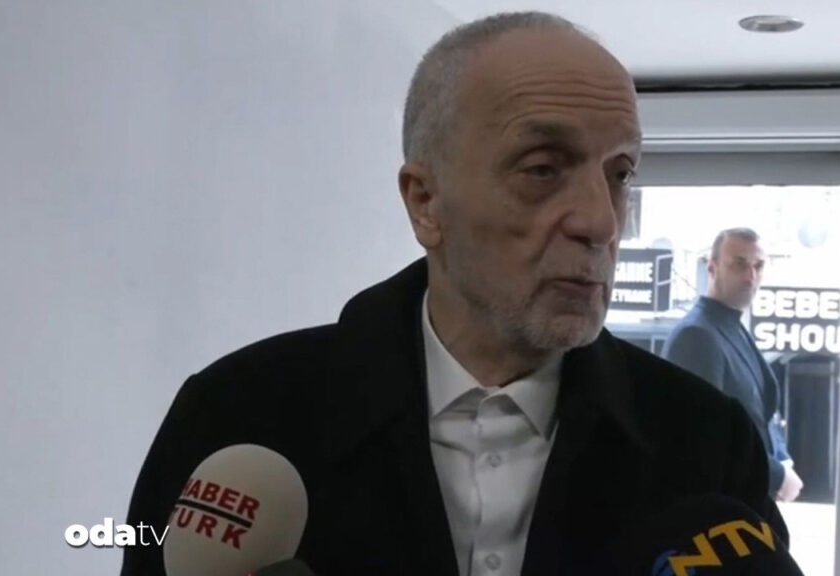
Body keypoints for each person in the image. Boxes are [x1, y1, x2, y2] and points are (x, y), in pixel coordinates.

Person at [122, 12, 788, 576]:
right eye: (542, 169)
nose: (601, 222)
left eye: (620, 174)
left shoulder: (706, 441)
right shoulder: (240, 414)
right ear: (426, 202)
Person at [663, 228, 804, 503]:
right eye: (739, 264)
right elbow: (704, 436)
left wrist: (783, 461)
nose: (751, 276)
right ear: (712, 268)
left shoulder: (731, 327)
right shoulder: (696, 335)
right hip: (717, 506)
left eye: (758, 266)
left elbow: (758, 415)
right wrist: (776, 476)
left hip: (745, 498)